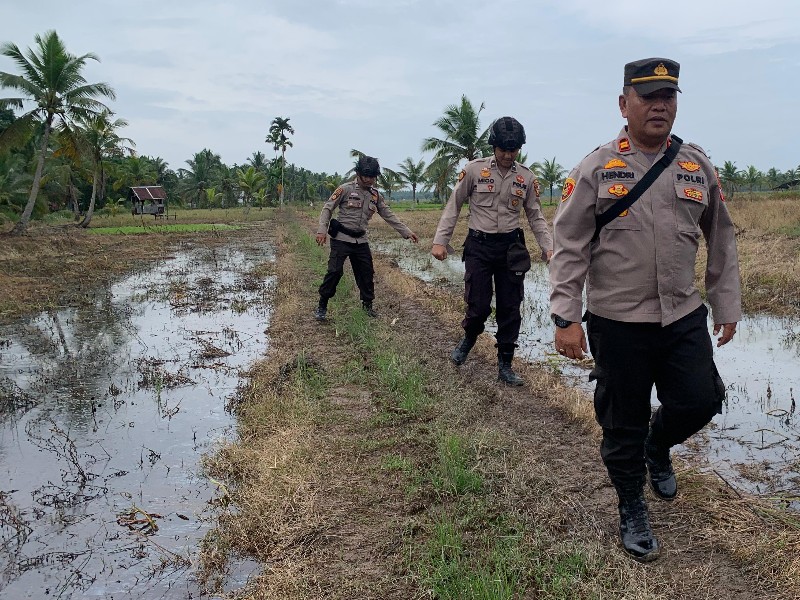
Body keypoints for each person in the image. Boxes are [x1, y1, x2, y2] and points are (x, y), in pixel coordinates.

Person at [549, 58, 741, 562]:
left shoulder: (697, 165)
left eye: (669, 97)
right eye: (649, 96)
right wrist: (565, 316)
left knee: (701, 400)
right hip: (617, 322)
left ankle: (659, 446)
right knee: (622, 421)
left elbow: (721, 238)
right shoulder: (596, 167)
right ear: (624, 104)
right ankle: (632, 505)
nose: (660, 106)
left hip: (681, 316)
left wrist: (726, 304)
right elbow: (568, 243)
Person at [431, 116, 553, 386]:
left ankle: (505, 365)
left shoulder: (526, 177)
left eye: (514, 150)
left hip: (510, 249)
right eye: (503, 150)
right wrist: (441, 240)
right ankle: (469, 338)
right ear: (494, 147)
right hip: (479, 247)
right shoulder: (474, 171)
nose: (508, 155)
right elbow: (454, 205)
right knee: (478, 305)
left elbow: (535, 216)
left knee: (511, 308)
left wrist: (548, 248)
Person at [314, 155, 419, 320]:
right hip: (341, 238)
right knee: (334, 271)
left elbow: (388, 214)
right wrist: (321, 230)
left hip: (361, 240)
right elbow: (328, 208)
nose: (369, 180)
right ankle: (322, 305)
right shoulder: (345, 189)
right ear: (358, 173)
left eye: (372, 177)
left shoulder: (375, 195)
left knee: (366, 273)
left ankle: (367, 306)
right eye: (366, 176)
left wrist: (406, 231)